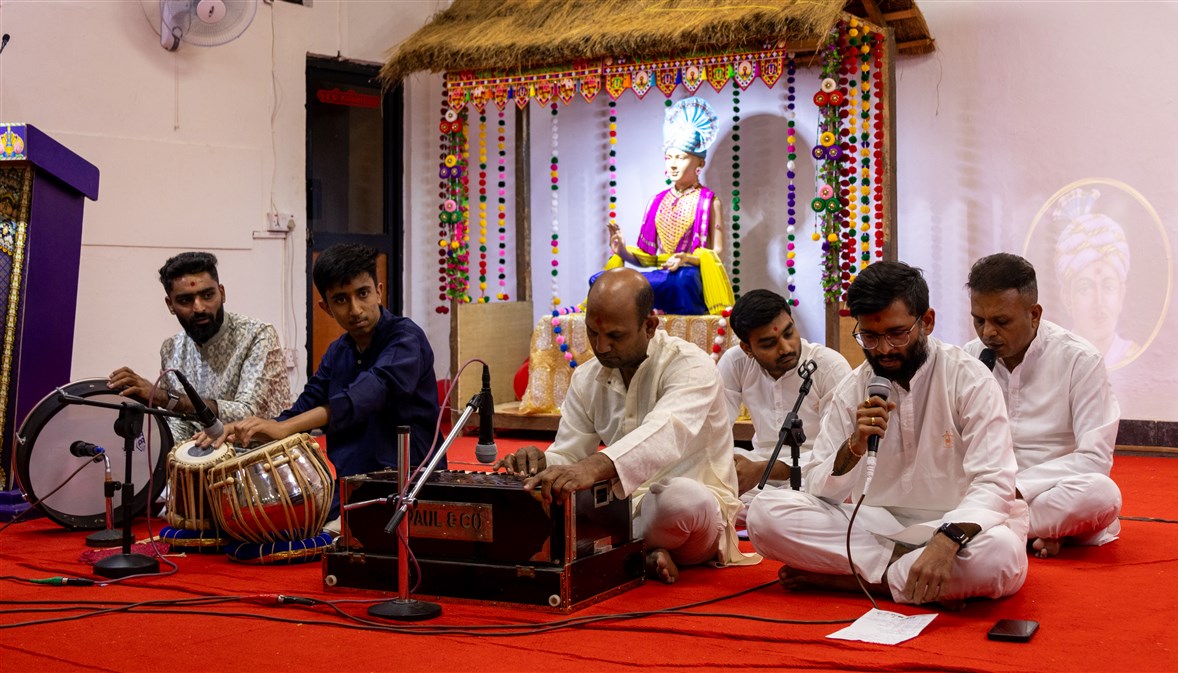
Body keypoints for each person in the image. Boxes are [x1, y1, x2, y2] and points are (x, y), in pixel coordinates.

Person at [746, 261, 1028, 608]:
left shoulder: (969, 379)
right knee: (765, 513)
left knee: (1001, 556)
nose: (883, 349)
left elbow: (994, 482)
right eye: (870, 336)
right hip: (877, 526)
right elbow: (821, 490)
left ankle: (855, 582)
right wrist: (854, 446)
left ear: (927, 322)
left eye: (897, 334)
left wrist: (946, 540)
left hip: (957, 526)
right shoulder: (853, 389)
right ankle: (909, 577)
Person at [497, 268, 757, 583]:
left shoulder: (690, 365)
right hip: (620, 512)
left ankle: (614, 550)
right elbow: (569, 455)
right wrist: (542, 463)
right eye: (593, 332)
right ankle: (636, 555)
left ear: (649, 326)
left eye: (615, 336)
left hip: (693, 522)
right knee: (548, 497)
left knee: (681, 499)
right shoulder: (587, 377)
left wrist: (593, 466)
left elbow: (666, 431)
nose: (601, 346)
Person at [201, 244, 442, 512]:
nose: (355, 309)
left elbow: (368, 394)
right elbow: (301, 412)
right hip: (351, 488)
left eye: (363, 293)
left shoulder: (406, 338)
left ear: (379, 292)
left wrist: (284, 428)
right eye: (341, 300)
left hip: (412, 488)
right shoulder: (337, 352)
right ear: (326, 308)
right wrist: (242, 429)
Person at [964, 253, 1122, 559]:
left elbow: (1094, 459)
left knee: (1103, 495)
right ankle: (1044, 531)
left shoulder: (1080, 359)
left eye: (1001, 321)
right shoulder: (969, 358)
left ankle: (982, 529)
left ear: (1034, 314)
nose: (987, 333)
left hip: (1049, 492)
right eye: (978, 320)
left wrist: (1016, 488)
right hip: (982, 488)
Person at [107, 252, 291, 445]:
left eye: (208, 295)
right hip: (198, 457)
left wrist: (165, 398)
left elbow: (247, 414)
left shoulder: (257, 335)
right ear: (170, 304)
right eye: (185, 300)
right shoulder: (171, 349)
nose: (199, 308)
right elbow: (180, 423)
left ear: (222, 293)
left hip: (259, 458)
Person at [719, 289, 851, 521]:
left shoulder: (828, 366)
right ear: (747, 349)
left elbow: (835, 453)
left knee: (780, 509)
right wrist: (730, 467)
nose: (786, 348)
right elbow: (715, 430)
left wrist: (762, 470)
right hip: (756, 475)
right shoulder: (735, 363)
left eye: (789, 333)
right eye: (769, 344)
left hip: (813, 477)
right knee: (700, 490)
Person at [600, 96, 734, 315]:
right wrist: (622, 251)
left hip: (688, 274)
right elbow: (649, 258)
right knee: (606, 282)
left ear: (700, 163)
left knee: (681, 282)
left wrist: (687, 258)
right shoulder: (657, 201)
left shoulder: (709, 201)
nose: (672, 164)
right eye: (669, 157)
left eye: (680, 157)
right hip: (661, 273)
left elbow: (717, 252)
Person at [1052, 187, 1138, 368]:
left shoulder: (1135, 358)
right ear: (1067, 297)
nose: (1099, 302)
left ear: (1121, 295)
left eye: (1109, 287)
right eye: (1085, 288)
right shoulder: (1053, 361)